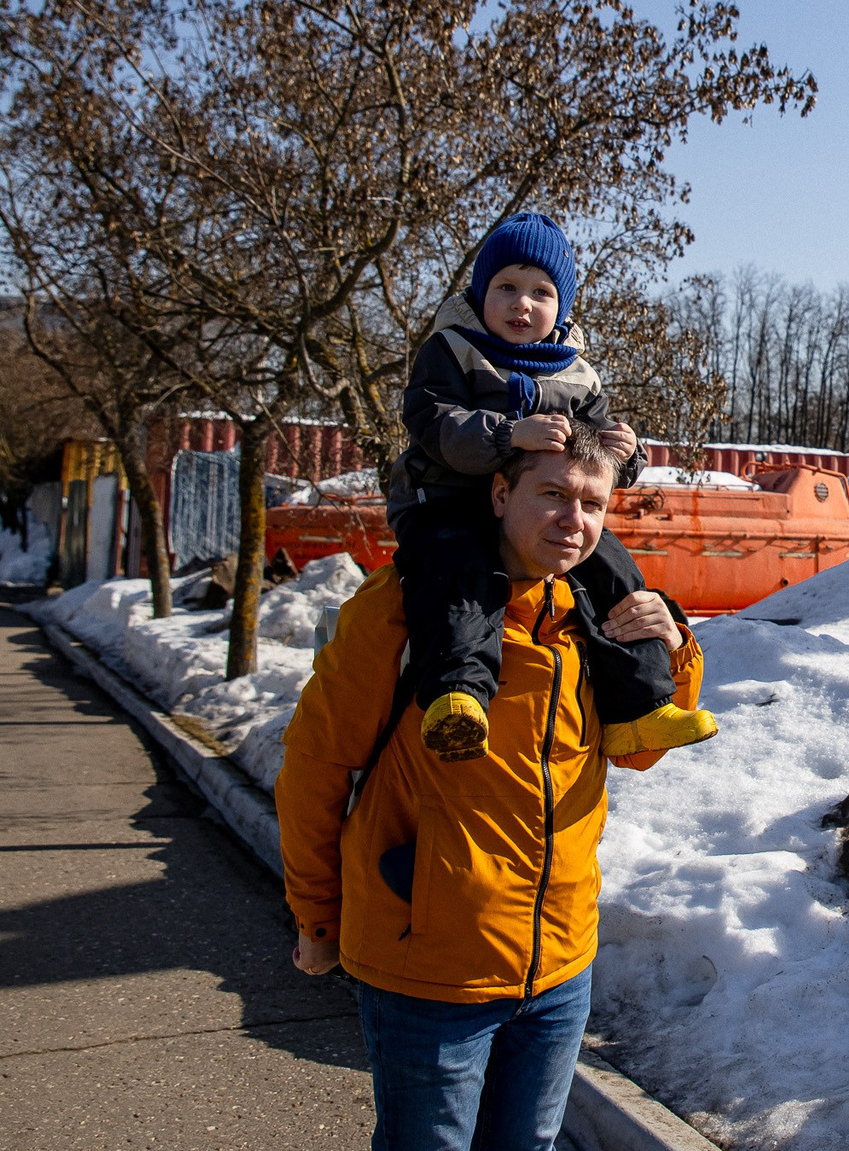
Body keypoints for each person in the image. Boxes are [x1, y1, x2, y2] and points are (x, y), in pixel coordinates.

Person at [275, 423, 716, 1151]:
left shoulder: (591, 611)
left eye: (592, 504)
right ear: (501, 493)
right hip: (430, 966)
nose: (573, 520)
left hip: (560, 966)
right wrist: (318, 919)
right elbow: (314, 768)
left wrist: (672, 650)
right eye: (553, 494)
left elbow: (636, 754)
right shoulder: (403, 607)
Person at [386, 211, 717, 763]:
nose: (522, 304)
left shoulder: (577, 372)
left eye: (541, 292)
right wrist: (507, 434)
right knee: (459, 574)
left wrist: (626, 453)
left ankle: (640, 707)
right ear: (480, 293)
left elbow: (593, 458)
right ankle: (457, 695)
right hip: (447, 502)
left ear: (561, 307)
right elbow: (434, 422)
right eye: (506, 287)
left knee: (615, 569)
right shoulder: (452, 350)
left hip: (540, 512)